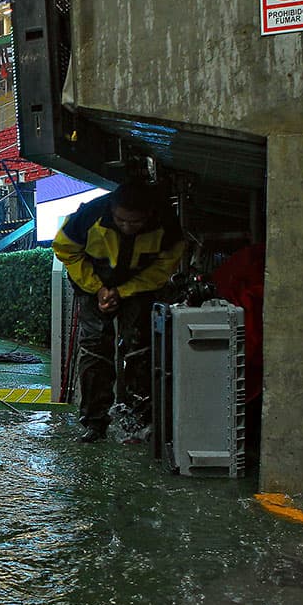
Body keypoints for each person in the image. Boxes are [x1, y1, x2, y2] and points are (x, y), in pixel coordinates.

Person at [53, 182, 184, 442]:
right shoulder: (88, 215)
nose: (127, 227)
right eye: (121, 220)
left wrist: (123, 291)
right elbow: (65, 250)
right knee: (93, 347)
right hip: (91, 283)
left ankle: (137, 421)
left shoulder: (166, 223)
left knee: (138, 348)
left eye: (134, 223)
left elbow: (165, 266)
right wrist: (97, 289)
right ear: (112, 209)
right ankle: (94, 422)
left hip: (139, 285)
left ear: (148, 215)